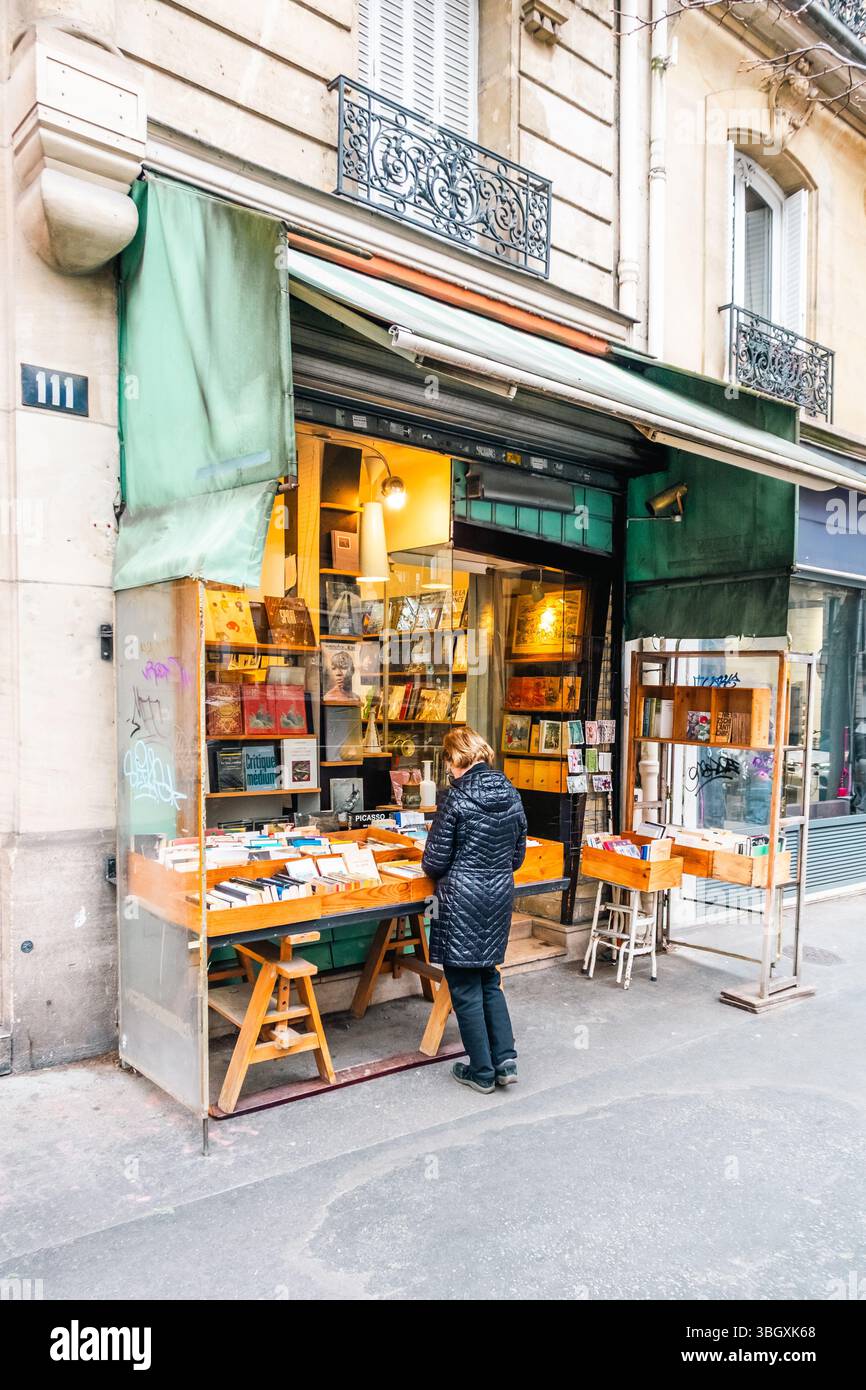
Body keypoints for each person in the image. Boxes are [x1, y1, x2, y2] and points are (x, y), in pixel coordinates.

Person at [422, 727, 528, 1094]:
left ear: (458, 759)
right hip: (498, 896)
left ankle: (481, 1071)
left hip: (460, 901)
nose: (448, 770)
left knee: (464, 986)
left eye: (449, 762)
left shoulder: (456, 798)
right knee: (488, 978)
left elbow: (433, 862)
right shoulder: (512, 794)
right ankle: (505, 1059)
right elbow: (517, 857)